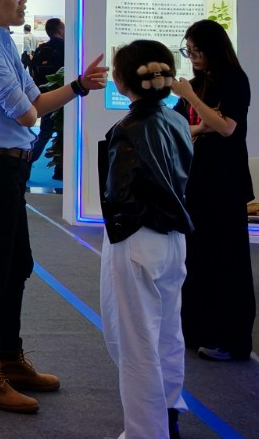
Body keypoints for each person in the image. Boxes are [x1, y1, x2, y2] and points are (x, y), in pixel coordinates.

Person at [0, 0, 106, 414]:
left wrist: (78, 86)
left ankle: (9, 357)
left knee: (17, 266)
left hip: (9, 167)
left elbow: (35, 101)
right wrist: (41, 103)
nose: (23, 1)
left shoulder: (1, 38)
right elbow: (26, 114)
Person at [99, 41, 194, 439]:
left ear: (122, 81)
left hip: (137, 239)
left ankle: (145, 432)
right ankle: (168, 414)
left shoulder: (127, 130)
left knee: (136, 343)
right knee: (168, 333)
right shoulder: (177, 120)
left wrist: (122, 229)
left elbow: (120, 193)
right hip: (172, 240)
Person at [169, 19, 256, 363]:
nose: (191, 57)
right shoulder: (196, 83)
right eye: (188, 51)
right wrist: (201, 125)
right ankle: (198, 329)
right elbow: (179, 126)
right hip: (197, 181)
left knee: (227, 261)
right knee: (197, 258)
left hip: (226, 183)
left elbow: (227, 127)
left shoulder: (234, 80)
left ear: (212, 49)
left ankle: (231, 339)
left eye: (196, 51)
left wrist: (195, 104)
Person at [29, 19, 66, 178]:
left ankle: (27, 162)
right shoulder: (66, 48)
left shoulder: (41, 49)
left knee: (45, 132)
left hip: (45, 97)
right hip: (64, 96)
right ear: (60, 30)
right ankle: (60, 170)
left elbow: (33, 73)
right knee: (64, 133)